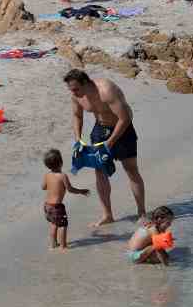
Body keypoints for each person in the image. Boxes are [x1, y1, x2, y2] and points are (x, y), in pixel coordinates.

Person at [64, 69, 145, 226]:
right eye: (71, 89)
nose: (73, 93)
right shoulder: (76, 96)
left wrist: (111, 142)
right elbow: (77, 116)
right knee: (100, 172)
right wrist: (78, 139)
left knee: (131, 170)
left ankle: (141, 212)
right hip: (100, 130)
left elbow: (125, 118)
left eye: (76, 89)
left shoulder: (106, 90)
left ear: (86, 83)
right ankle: (107, 215)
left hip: (123, 129)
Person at [41, 149, 89, 251]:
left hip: (47, 206)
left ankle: (53, 244)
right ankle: (63, 246)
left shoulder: (47, 175)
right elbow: (70, 189)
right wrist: (81, 191)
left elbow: (43, 187)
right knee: (62, 225)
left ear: (47, 165)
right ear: (61, 162)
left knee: (54, 224)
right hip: (57, 207)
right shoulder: (63, 176)